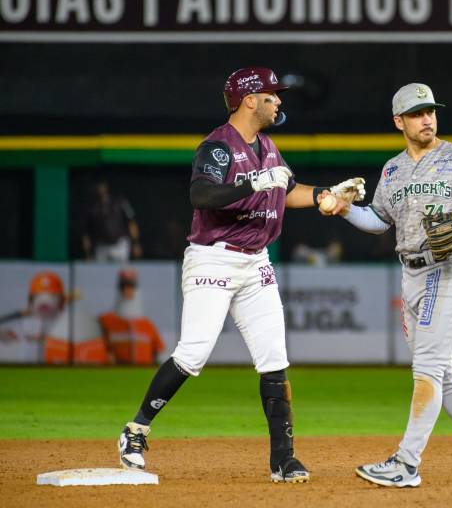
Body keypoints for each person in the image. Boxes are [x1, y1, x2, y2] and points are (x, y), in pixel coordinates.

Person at [117, 66, 361, 483]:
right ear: (250, 100)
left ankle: (283, 459)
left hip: (255, 261)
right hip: (214, 258)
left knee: (274, 358)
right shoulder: (219, 146)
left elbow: (288, 189)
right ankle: (136, 430)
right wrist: (255, 182)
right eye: (271, 94)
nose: (279, 100)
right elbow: (201, 194)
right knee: (193, 352)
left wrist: (326, 195)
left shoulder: (267, 146)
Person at [324, 83, 452, 487]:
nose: (426, 118)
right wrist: (344, 210)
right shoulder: (393, 169)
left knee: (426, 367)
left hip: (449, 270)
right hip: (412, 275)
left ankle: (406, 464)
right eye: (416, 113)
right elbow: (378, 221)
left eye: (430, 111)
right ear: (399, 122)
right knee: (440, 373)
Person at [99, 269, 165, 365]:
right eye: (123, 287)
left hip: (142, 374)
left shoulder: (147, 324)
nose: (127, 290)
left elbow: (158, 353)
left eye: (131, 286)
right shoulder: (106, 321)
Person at [82, 180, 142, 262]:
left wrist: (136, 243)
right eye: (97, 187)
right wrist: (88, 253)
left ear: (106, 187)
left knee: (122, 273)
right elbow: (87, 232)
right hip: (101, 247)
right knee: (101, 273)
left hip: (120, 245)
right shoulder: (92, 206)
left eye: (102, 186)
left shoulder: (120, 202)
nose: (100, 189)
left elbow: (131, 222)